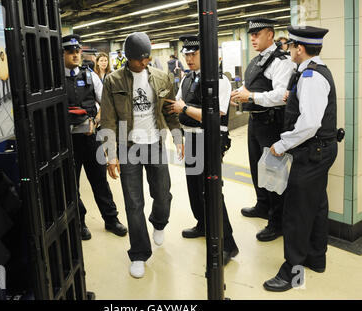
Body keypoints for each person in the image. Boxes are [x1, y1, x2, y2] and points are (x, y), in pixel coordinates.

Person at [100, 32, 183, 278]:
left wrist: (178, 137)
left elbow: (170, 112)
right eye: (140, 59)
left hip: (155, 143)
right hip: (128, 148)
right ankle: (138, 253)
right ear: (129, 57)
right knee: (133, 203)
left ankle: (159, 222)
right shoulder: (113, 81)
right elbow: (108, 120)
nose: (145, 62)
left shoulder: (162, 77)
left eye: (148, 58)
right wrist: (111, 154)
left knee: (163, 193)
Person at [264, 26, 339, 292]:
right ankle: (316, 259)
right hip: (322, 150)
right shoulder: (318, 71)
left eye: (291, 46)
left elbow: (309, 124)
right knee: (317, 205)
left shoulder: (309, 76)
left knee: (296, 213)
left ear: (300, 48)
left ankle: (292, 273)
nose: (288, 49)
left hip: (311, 152)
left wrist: (282, 145)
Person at [164, 34, 238, 265]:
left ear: (204, 55)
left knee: (212, 191)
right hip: (191, 138)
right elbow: (175, 107)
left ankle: (228, 245)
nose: (189, 58)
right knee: (194, 188)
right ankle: (203, 225)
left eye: (193, 54)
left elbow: (216, 114)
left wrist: (185, 107)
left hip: (210, 140)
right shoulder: (186, 79)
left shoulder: (219, 80)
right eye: (186, 54)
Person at [230, 17, 295, 242]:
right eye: (251, 35)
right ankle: (262, 205)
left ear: (270, 34)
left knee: (274, 173)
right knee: (257, 168)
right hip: (256, 121)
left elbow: (281, 96)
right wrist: (239, 94)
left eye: (257, 34)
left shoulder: (282, 61)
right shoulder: (258, 60)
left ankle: (277, 222)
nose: (253, 39)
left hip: (272, 123)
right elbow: (250, 85)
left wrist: (252, 96)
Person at [62, 34, 127, 240]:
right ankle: (79, 222)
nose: (75, 54)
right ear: (62, 53)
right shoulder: (55, 80)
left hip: (91, 139)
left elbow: (105, 105)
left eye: (77, 51)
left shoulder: (90, 76)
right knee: (72, 185)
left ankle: (111, 219)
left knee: (100, 181)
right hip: (68, 142)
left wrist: (96, 120)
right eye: (70, 51)